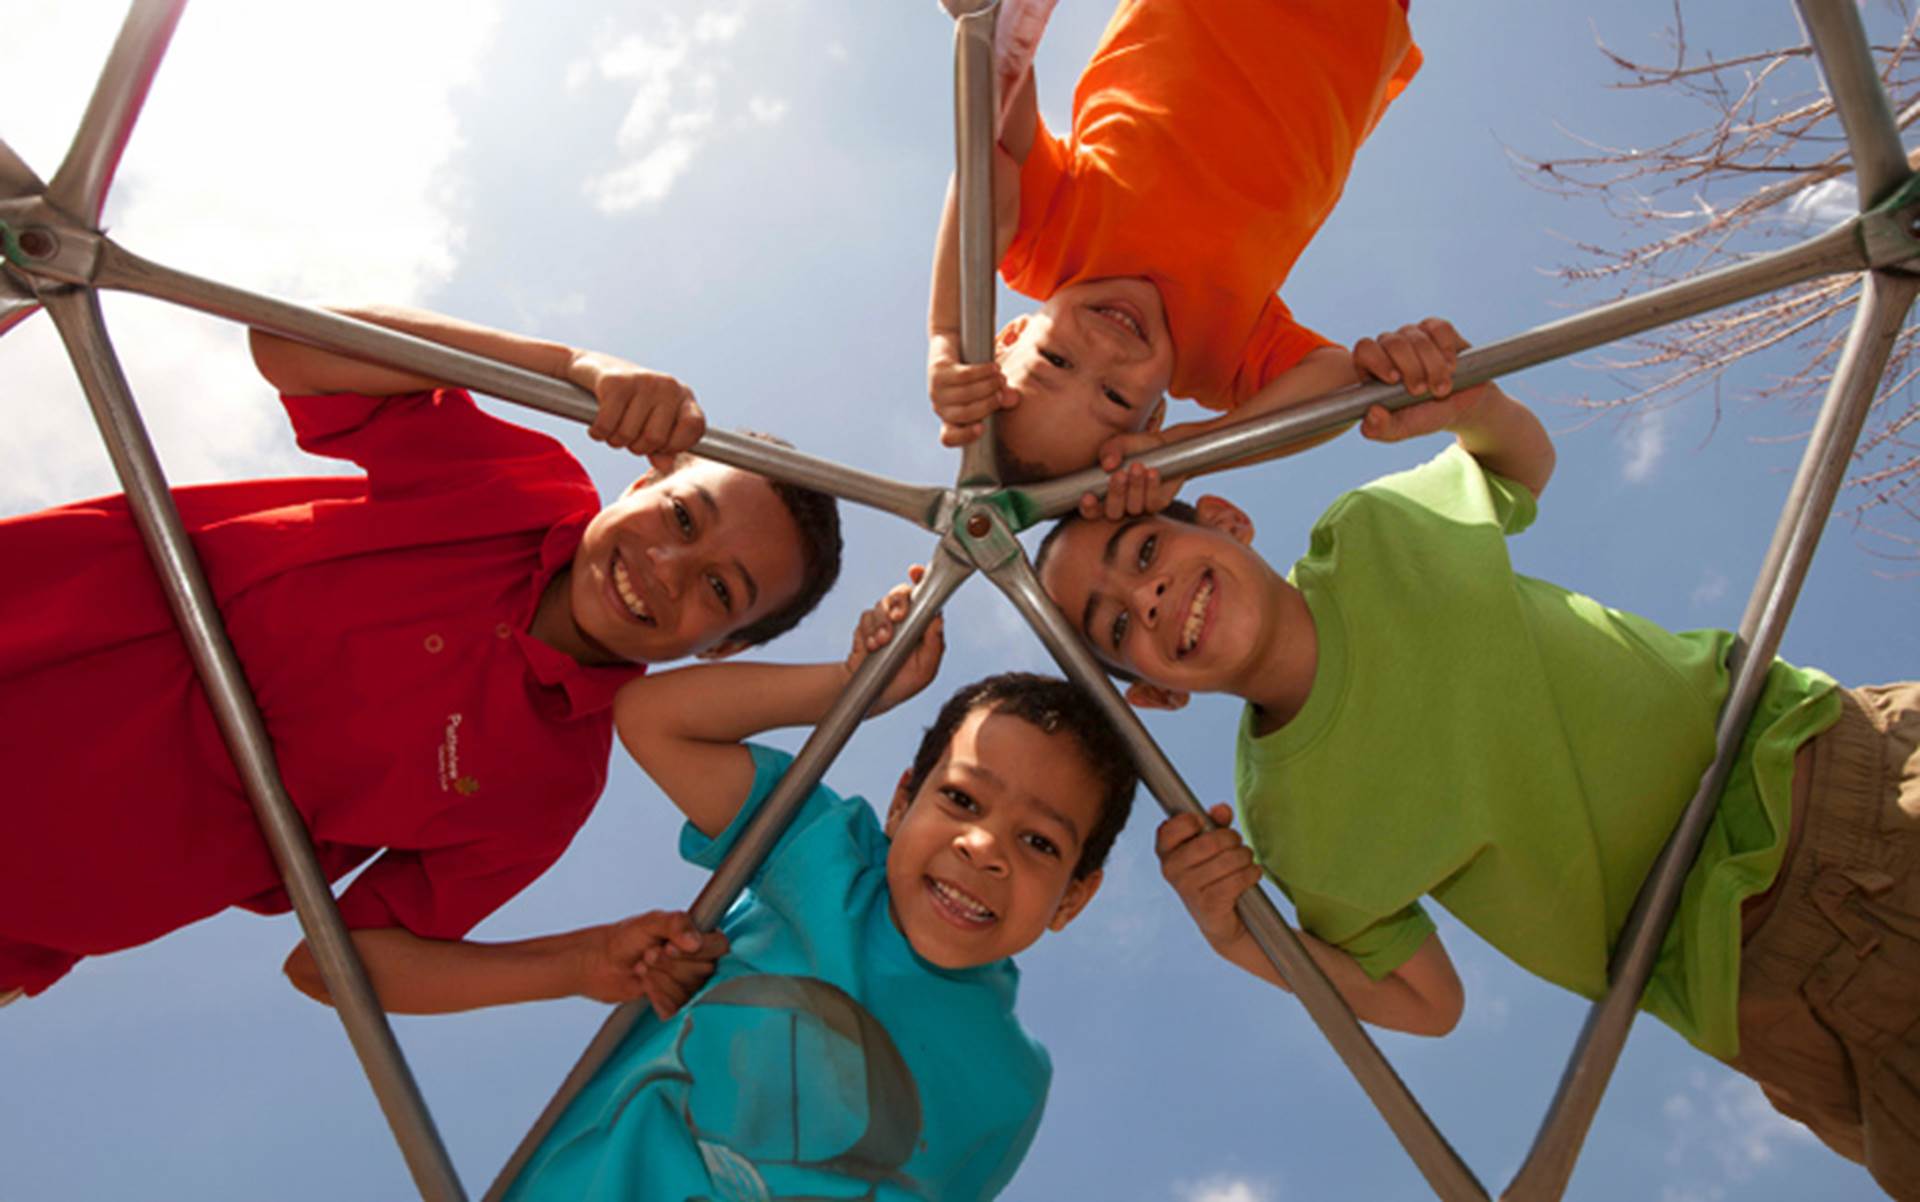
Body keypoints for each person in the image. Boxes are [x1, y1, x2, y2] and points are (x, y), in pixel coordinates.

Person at [1032, 323, 1920, 1199]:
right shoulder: (1290, 821)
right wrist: (1240, 939)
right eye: (1116, 627)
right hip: (1773, 977)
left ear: (1224, 519)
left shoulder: (1374, 531)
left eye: (1144, 551)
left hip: (1843, 762)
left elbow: (1518, 467)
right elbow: (1428, 1002)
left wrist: (1476, 403)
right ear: (1152, 694)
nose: (1146, 597)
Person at [0, 304, 843, 1017]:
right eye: (682, 519)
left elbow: (334, 961)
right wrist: (573, 367)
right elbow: (291, 348)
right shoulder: (515, 487)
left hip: (33, 898)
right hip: (32, 631)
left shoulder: (547, 787)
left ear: (723, 647)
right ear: (636, 487)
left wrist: (576, 965)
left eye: (720, 591)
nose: (666, 567)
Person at [507, 575, 1139, 1200]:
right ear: (900, 806)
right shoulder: (826, 857)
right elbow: (653, 719)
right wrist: (852, 687)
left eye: (1039, 843)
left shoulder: (1013, 1083)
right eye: (961, 799)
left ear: (1074, 898)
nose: (984, 848)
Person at [925, 0, 1423, 488]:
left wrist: (949, 335)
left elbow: (991, 154)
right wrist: (1195, 450)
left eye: (1056, 360)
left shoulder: (1049, 242)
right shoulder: (1218, 356)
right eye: (1116, 397)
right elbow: (1341, 380)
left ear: (1010, 337)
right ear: (1155, 419)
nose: (1106, 348)